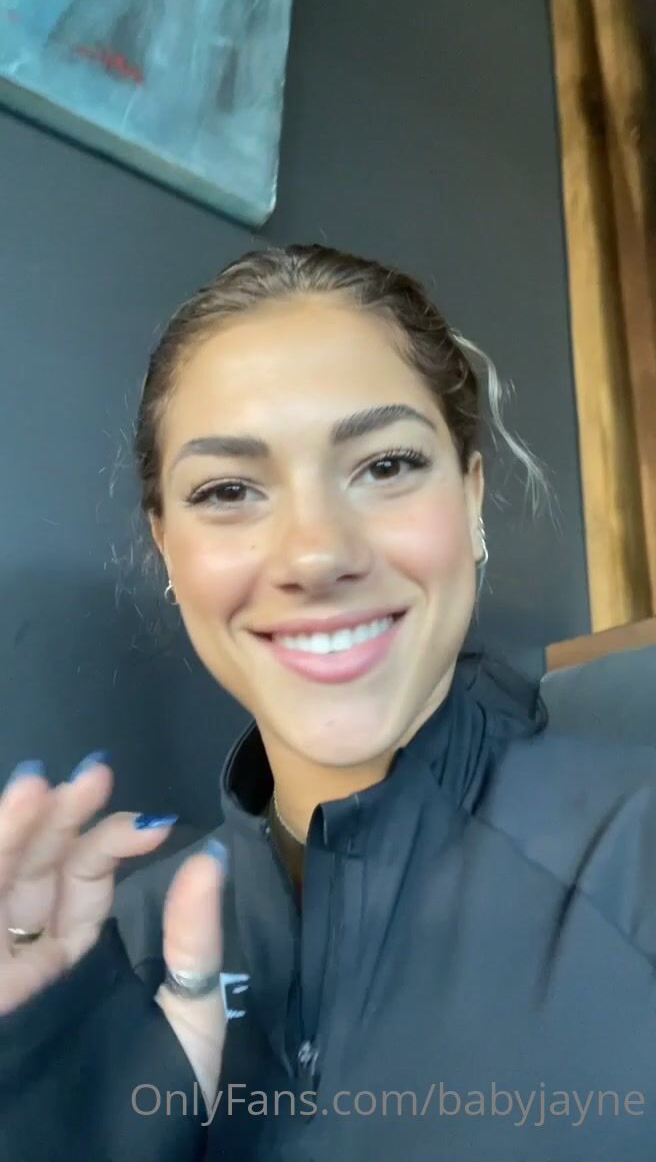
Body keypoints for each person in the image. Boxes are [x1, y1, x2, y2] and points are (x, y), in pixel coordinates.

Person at [1, 243, 655, 1162]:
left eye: (385, 466)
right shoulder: (103, 958)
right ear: (166, 547)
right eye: (228, 490)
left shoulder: (637, 858)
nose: (315, 554)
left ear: (471, 497)